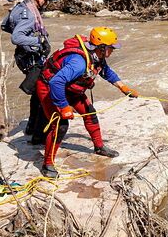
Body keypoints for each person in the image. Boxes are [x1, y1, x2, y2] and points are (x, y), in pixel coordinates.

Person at [35, 27, 139, 178]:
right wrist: (64, 106)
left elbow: (106, 71)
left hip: (69, 88)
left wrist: (123, 88)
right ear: (101, 48)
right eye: (111, 48)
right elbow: (56, 82)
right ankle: (47, 164)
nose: (113, 51)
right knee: (60, 125)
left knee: (90, 113)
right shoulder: (78, 62)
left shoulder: (96, 56)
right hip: (49, 87)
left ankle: (99, 147)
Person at [0, 0, 55, 144]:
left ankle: (31, 127)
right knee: (43, 93)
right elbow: (16, 37)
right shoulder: (30, 15)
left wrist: (28, 38)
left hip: (24, 56)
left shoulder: (20, 7)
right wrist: (38, 40)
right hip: (31, 59)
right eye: (46, 0)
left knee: (38, 93)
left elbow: (4, 25)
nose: (45, 4)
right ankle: (38, 136)